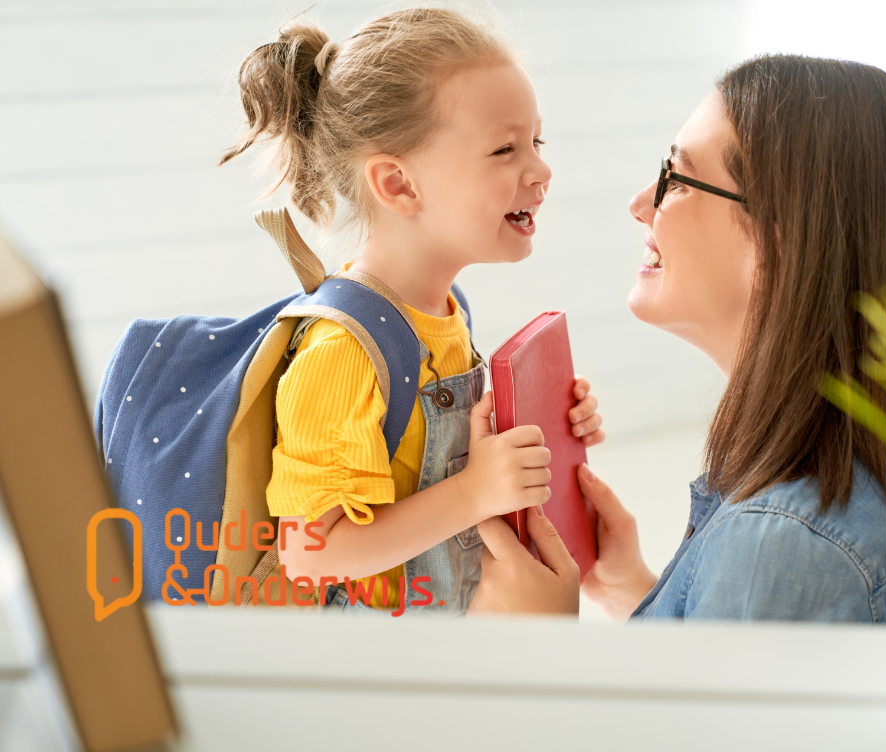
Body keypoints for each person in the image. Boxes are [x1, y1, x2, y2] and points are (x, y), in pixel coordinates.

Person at [467, 54, 886, 622]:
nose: (640, 206)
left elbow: (683, 715)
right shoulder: (819, 499)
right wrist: (627, 586)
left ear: (779, 244)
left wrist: (536, 635)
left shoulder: (782, 545)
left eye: (676, 180)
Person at [217, 8, 605, 615]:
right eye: (505, 148)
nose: (541, 169)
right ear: (398, 185)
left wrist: (540, 426)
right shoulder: (342, 352)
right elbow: (310, 552)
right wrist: (474, 491)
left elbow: (418, 462)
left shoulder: (446, 313)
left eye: (536, 141)